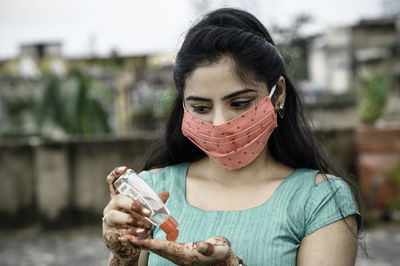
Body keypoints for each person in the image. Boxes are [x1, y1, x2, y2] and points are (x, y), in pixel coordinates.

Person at [102, 7, 362, 265]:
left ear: (278, 93)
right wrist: (121, 257)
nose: (219, 123)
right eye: (201, 108)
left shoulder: (319, 199)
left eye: (239, 103)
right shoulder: (152, 191)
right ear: (183, 106)